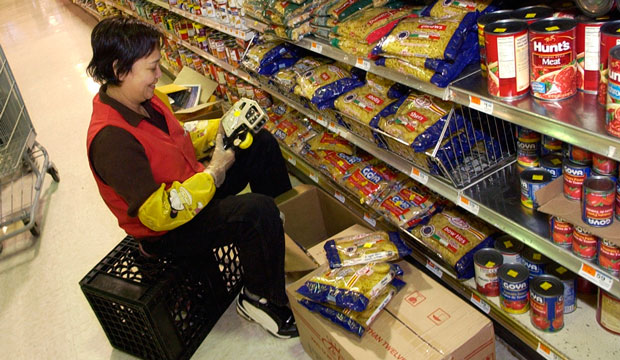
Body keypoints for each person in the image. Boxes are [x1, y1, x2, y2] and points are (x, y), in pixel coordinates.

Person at [85, 16, 297, 339]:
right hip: (168, 230)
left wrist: (221, 129)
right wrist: (214, 172)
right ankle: (260, 300)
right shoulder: (111, 141)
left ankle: (289, 240)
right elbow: (159, 212)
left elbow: (178, 137)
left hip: (192, 185)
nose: (159, 74)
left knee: (261, 144)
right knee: (257, 212)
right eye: (152, 68)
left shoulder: (142, 97)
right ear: (119, 70)